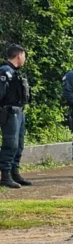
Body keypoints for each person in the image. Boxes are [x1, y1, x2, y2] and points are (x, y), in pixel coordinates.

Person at [0, 44, 31, 189]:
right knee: (10, 143)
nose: (24, 59)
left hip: (19, 111)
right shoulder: (5, 72)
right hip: (9, 112)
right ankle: (5, 176)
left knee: (19, 144)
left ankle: (15, 172)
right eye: (24, 56)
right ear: (19, 55)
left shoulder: (15, 72)